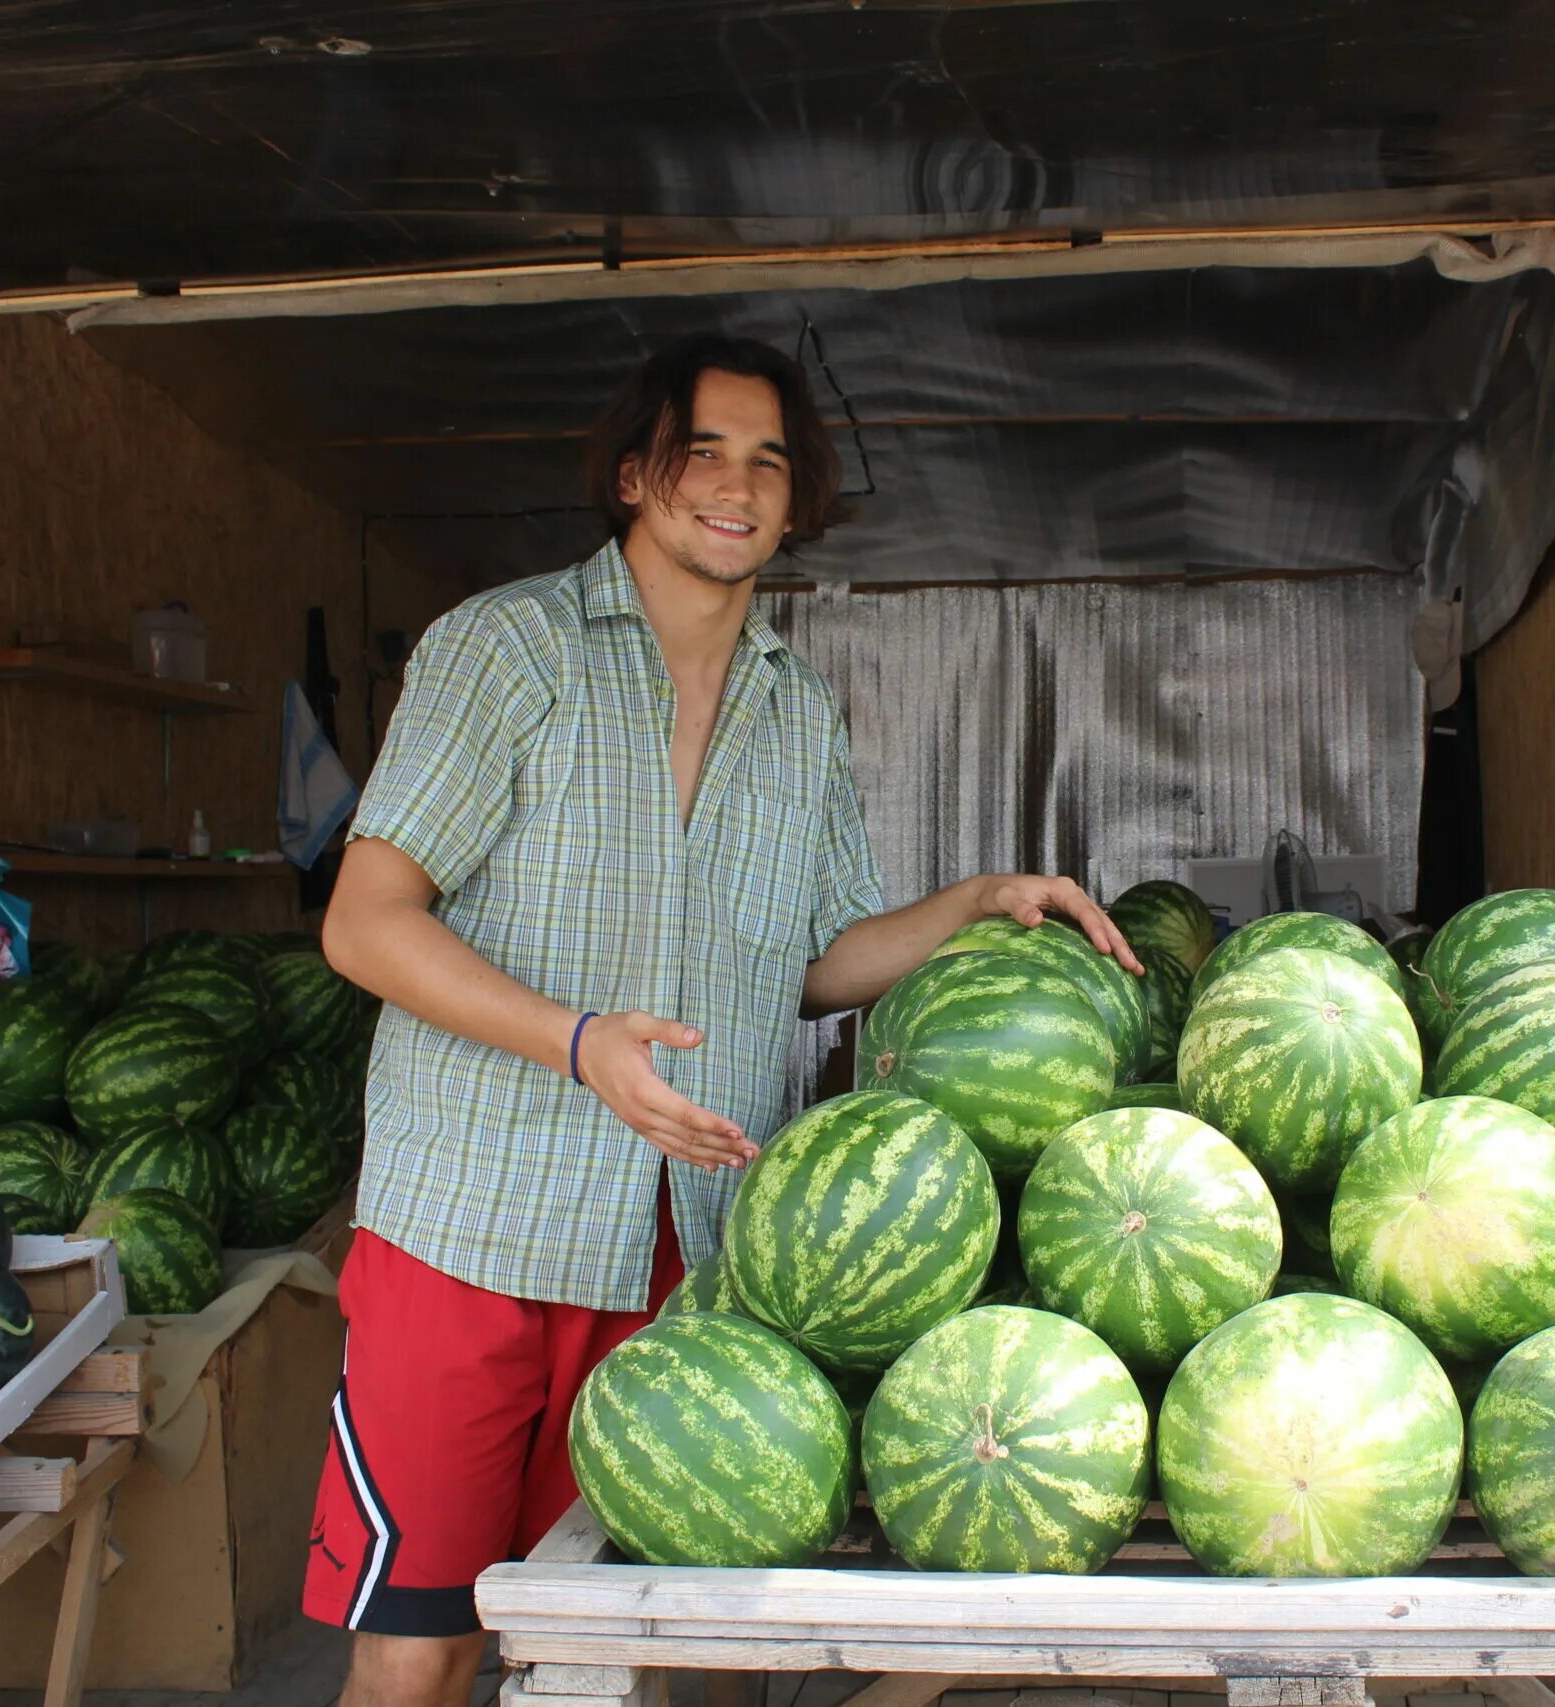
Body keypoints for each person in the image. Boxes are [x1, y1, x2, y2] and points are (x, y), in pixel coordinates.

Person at [306, 333, 1138, 1707]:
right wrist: (581, 1044)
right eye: (704, 452)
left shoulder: (797, 712)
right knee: (427, 1643)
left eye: (770, 461)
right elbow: (365, 921)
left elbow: (815, 961)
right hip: (474, 1225)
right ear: (634, 474)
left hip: (693, 1258)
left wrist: (982, 899)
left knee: (654, 1644)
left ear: (798, 501)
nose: (737, 486)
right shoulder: (505, 651)